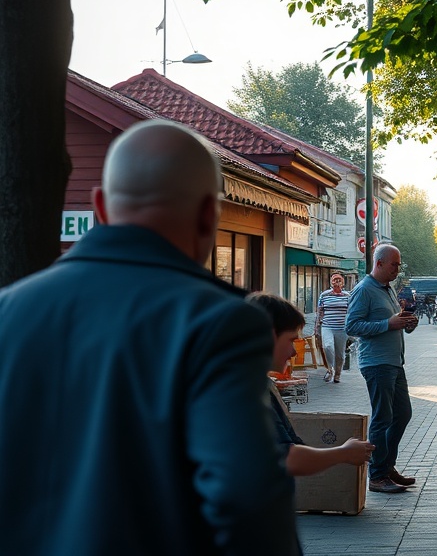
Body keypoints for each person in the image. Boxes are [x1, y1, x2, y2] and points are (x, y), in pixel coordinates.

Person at [0, 120, 298, 556]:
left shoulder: (8, 310)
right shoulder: (220, 321)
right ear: (208, 214)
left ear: (100, 207)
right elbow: (248, 498)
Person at [247, 292, 375, 474]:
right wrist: (343, 453)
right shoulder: (247, 389)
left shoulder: (251, 382)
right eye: (291, 340)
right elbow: (286, 458)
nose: (294, 352)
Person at [345, 244, 419, 494]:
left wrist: (404, 322)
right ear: (379, 263)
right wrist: (388, 324)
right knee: (382, 418)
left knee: (402, 414)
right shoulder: (364, 289)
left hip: (394, 362)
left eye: (398, 265)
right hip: (377, 363)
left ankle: (387, 466)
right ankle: (377, 475)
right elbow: (352, 326)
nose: (397, 269)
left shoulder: (387, 288)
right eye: (393, 265)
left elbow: (391, 321)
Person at [317, 272, 350, 383]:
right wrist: (317, 327)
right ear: (331, 282)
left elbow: (351, 312)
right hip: (327, 326)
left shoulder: (347, 296)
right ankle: (330, 369)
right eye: (334, 279)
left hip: (342, 328)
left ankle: (338, 374)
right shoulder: (324, 295)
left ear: (343, 283)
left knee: (340, 354)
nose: (337, 281)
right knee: (328, 347)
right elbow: (320, 311)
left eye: (339, 279)